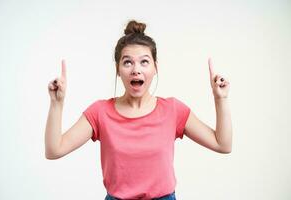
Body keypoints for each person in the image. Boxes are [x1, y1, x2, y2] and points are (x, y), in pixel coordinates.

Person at [45, 20, 232, 200]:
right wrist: (56, 103)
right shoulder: (100, 112)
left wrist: (220, 99)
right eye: (127, 62)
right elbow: (54, 150)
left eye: (144, 62)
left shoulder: (173, 110)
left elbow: (222, 144)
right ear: (118, 69)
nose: (136, 70)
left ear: (155, 67)